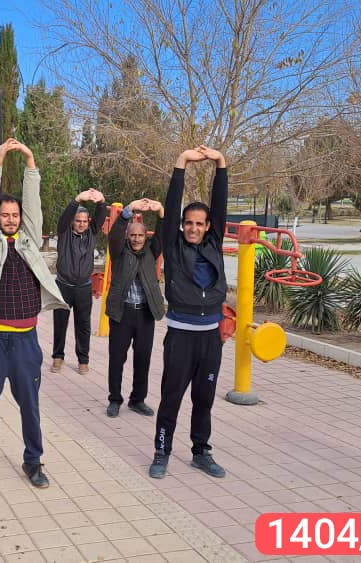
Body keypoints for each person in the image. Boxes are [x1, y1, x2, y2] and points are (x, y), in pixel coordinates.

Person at [0, 139, 68, 495]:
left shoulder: (28, 241)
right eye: (4, 215)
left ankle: (33, 460)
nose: (10, 219)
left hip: (26, 342)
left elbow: (34, 205)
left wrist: (30, 162)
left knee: (31, 408)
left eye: (14, 215)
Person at [150, 145, 229, 480]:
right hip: (181, 336)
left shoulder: (213, 243)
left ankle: (200, 452)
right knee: (171, 398)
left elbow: (221, 204)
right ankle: (162, 451)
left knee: (204, 399)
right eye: (188, 223)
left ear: (208, 226)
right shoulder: (174, 245)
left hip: (210, 338)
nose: (193, 228)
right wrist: (181, 162)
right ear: (182, 226)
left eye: (199, 223)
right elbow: (171, 205)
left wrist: (220, 163)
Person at [105, 198, 165, 418]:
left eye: (141, 235)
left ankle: (138, 400)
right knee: (117, 358)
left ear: (145, 237)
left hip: (145, 313)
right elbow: (114, 235)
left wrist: (160, 211)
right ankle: (114, 399)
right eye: (133, 235)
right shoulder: (119, 251)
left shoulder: (151, 251)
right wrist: (128, 211)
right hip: (122, 312)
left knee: (143, 358)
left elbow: (164, 234)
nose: (137, 239)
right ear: (127, 237)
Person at [51, 189, 108, 375]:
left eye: (84, 221)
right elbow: (65, 217)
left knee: (83, 325)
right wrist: (77, 200)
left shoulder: (91, 233)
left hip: (83, 288)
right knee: (60, 324)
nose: (82, 224)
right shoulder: (64, 233)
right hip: (64, 286)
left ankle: (83, 360)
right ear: (72, 222)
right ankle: (58, 356)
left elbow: (100, 216)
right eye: (78, 221)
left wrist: (101, 201)